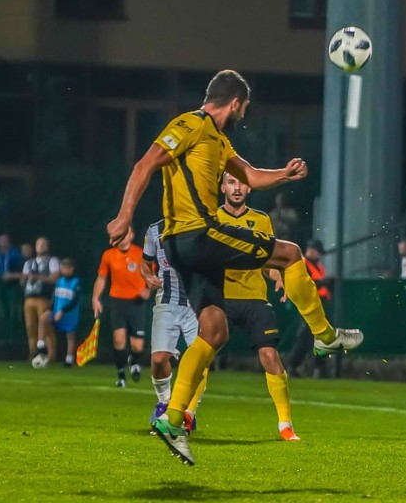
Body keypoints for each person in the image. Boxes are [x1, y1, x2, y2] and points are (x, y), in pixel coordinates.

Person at [105, 69, 362, 465]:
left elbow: (253, 177)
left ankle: (173, 421)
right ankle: (325, 335)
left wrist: (285, 174)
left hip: (185, 247)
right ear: (237, 103)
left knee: (214, 329)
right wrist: (124, 217)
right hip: (197, 235)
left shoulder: (220, 141)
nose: (244, 113)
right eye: (245, 107)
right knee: (291, 254)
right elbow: (145, 165)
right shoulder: (190, 124)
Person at [217, 172, 300, 441]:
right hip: (221, 297)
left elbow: (269, 259)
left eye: (241, 183)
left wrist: (279, 277)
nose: (237, 187)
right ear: (222, 188)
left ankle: (285, 425)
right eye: (231, 182)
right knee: (203, 355)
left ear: (249, 188)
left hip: (254, 298)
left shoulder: (262, 220)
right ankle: (188, 414)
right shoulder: (213, 219)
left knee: (270, 356)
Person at [141, 219, 207, 429]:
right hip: (167, 302)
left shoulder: (201, 225)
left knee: (200, 361)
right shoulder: (154, 230)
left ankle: (188, 413)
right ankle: (165, 403)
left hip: (197, 304)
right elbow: (145, 262)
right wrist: (148, 276)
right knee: (158, 360)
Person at [92, 229, 150, 388]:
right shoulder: (108, 255)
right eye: (121, 235)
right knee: (119, 340)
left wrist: (148, 289)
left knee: (138, 346)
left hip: (136, 303)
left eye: (126, 234)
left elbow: (152, 275)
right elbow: (102, 278)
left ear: (131, 235)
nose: (123, 238)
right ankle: (121, 375)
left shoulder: (141, 253)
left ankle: (133, 360)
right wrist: (96, 298)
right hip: (117, 302)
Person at [287, 239, 331, 380]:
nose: (311, 251)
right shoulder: (303, 264)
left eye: (314, 249)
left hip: (319, 304)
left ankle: (317, 368)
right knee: (306, 337)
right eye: (310, 248)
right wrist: (322, 283)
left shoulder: (318, 266)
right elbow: (306, 283)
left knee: (316, 337)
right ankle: (294, 365)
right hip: (308, 303)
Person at [35, 258, 81, 367]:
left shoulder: (76, 282)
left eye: (65, 268)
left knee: (70, 336)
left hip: (69, 314)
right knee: (43, 319)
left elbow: (74, 301)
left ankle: (69, 359)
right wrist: (51, 309)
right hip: (56, 311)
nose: (63, 270)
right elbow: (55, 297)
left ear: (71, 269)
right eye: (62, 268)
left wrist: (63, 311)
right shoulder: (60, 281)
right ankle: (41, 346)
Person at [22, 237, 60, 361]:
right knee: (30, 327)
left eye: (43, 244)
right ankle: (33, 353)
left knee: (46, 327)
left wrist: (38, 277)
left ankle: (51, 354)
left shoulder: (52, 261)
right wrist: (26, 278)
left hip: (43, 298)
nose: (41, 246)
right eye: (38, 244)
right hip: (29, 298)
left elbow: (54, 278)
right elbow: (23, 280)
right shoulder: (29, 262)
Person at [0, 233, 23, 339]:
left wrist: (12, 275)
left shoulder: (14, 254)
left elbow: (20, 268)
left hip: (13, 285)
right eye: (1, 240)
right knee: (3, 311)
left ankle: (13, 336)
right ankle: (4, 336)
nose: (3, 243)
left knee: (13, 311)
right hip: (1, 285)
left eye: (5, 240)